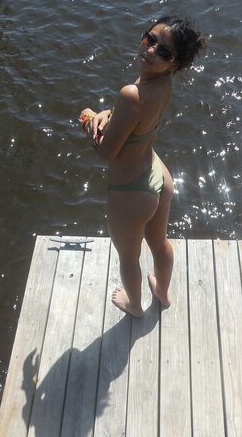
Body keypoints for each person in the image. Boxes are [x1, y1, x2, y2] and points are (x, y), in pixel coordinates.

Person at [80, 16, 206, 318]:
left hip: (131, 191)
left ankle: (134, 306)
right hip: (158, 175)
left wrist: (88, 120)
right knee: (159, 243)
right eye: (150, 39)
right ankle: (162, 291)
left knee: (128, 257)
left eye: (163, 52)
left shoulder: (131, 94)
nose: (151, 50)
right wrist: (109, 114)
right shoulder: (163, 83)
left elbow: (107, 152)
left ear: (174, 64)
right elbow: (136, 118)